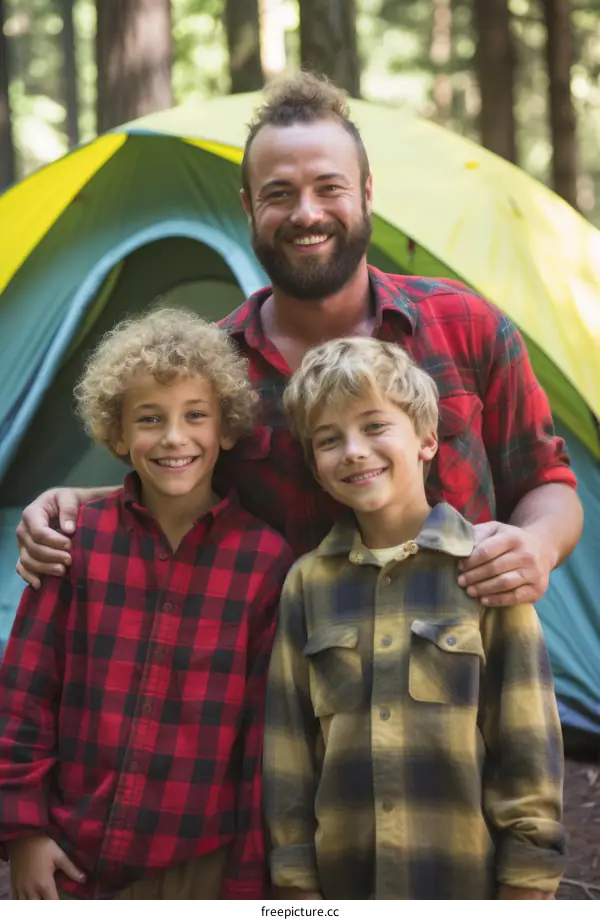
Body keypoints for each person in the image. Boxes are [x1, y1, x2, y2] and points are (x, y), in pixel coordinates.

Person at [16, 72, 582, 611]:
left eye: (328, 188)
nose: (306, 213)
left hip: (460, 677)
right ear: (249, 207)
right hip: (286, 686)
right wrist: (72, 503)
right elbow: (176, 489)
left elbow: (546, 481)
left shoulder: (464, 323)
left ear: (365, 193)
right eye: (279, 194)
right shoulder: (213, 371)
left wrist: (539, 545)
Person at [0, 308, 293, 900]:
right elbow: (24, 693)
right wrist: (23, 831)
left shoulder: (265, 562)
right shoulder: (75, 540)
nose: (174, 438)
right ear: (118, 433)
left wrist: (246, 886)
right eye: (150, 419)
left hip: (197, 868)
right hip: (67, 860)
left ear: (227, 430)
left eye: (195, 417)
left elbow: (262, 744)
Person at [264, 337, 567, 900]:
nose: (353, 451)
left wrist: (528, 884)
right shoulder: (307, 585)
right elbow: (289, 749)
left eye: (375, 426)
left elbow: (527, 742)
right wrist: (295, 886)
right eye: (329, 440)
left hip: (461, 882)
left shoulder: (485, 570)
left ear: (427, 440)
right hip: (338, 884)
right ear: (315, 465)